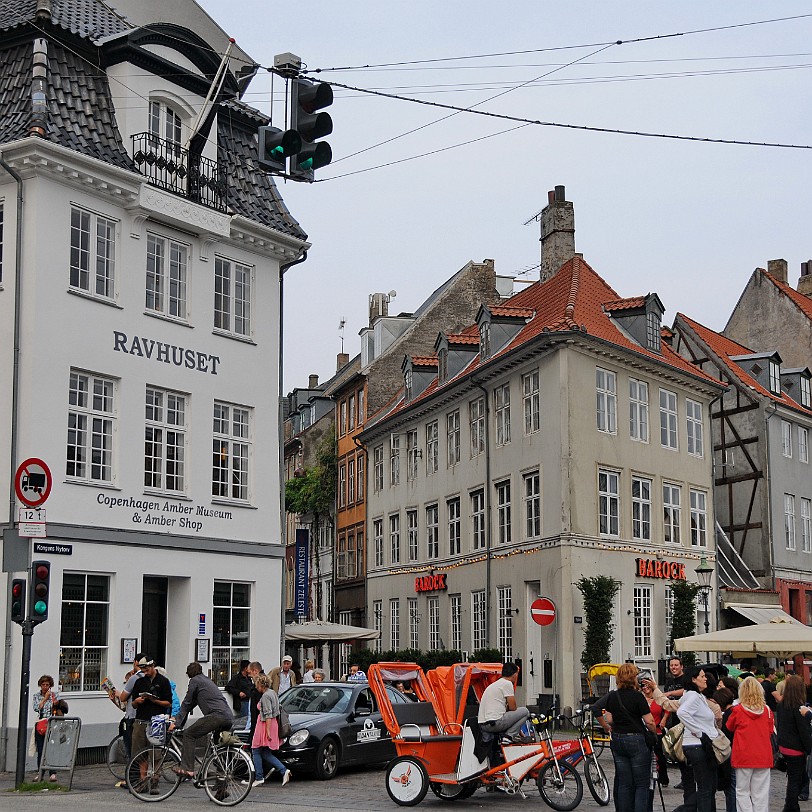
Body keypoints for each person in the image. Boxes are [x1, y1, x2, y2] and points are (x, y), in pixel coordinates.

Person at [649, 667, 721, 812]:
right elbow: (682, 712)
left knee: (707, 786)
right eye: (702, 676)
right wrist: (699, 732)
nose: (705, 678)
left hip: (697, 745)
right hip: (697, 746)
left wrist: (656, 690)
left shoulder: (693, 695)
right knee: (706, 788)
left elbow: (670, 704)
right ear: (694, 679)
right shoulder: (693, 696)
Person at [603, 664, 657, 812]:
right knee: (641, 784)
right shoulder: (638, 697)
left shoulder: (613, 696)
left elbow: (609, 719)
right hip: (636, 740)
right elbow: (650, 721)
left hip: (618, 739)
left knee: (625, 783)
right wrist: (654, 733)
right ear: (633, 678)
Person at [171, 662, 233, 779]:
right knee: (219, 747)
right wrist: (179, 723)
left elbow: (187, 702)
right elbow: (191, 704)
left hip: (216, 716)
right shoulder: (206, 681)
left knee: (189, 734)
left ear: (189, 674)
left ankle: (187, 769)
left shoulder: (195, 681)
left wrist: (175, 723)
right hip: (227, 716)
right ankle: (221, 783)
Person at [725, 676, 774, 812]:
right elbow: (770, 731)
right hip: (763, 755)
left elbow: (729, 726)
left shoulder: (738, 710)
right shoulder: (767, 710)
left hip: (743, 755)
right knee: (761, 793)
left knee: (742, 791)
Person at [131, 657, 173, 793]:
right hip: (141, 720)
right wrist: (137, 701)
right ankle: (143, 781)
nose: (145, 672)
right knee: (140, 753)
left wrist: (154, 701)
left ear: (153, 665)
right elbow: (133, 704)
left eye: (147, 669)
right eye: (142, 670)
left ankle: (155, 781)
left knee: (155, 753)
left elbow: (168, 703)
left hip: (156, 721)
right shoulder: (139, 682)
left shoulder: (163, 681)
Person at [243, 674, 292, 786]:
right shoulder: (273, 693)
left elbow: (268, 714)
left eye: (257, 685)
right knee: (265, 752)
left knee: (255, 749)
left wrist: (268, 732)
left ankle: (259, 777)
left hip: (264, 725)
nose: (256, 688)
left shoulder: (265, 696)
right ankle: (283, 770)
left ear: (261, 685)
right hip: (273, 724)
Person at [776, 674, 812, 812]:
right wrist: (808, 749)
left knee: (792, 779)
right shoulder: (799, 708)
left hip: (784, 746)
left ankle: (791, 806)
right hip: (797, 749)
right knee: (796, 781)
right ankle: (790, 806)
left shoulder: (781, 705)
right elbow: (804, 732)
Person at [477, 662, 530, 741]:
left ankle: (509, 735)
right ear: (515, 674)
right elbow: (513, 707)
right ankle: (508, 736)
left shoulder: (495, 684)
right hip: (495, 723)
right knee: (525, 711)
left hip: (483, 724)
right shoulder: (507, 684)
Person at [641, 675, 669, 787]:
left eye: (648, 685)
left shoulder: (658, 698)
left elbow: (668, 708)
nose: (645, 688)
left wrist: (664, 719)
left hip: (657, 730)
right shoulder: (640, 699)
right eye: (643, 686)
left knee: (660, 757)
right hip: (644, 732)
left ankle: (663, 778)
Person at [32, 674, 59, 782]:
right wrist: (44, 699)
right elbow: (36, 708)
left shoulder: (54, 695)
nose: (45, 687)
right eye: (43, 684)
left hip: (52, 723)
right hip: (41, 724)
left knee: (50, 749)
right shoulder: (36, 696)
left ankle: (52, 773)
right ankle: (40, 773)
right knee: (41, 749)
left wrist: (56, 703)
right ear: (40, 685)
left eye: (47, 684)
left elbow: (60, 708)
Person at [714, 686, 736, 812]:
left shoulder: (728, 715)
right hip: (736, 750)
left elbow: (726, 735)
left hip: (730, 752)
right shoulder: (735, 710)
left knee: (731, 786)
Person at [247, 661, 265, 737]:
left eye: (250, 673)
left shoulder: (259, 688)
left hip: (259, 724)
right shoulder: (258, 686)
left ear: (255, 671)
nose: (249, 675)